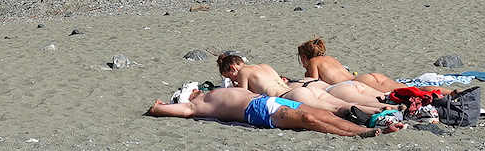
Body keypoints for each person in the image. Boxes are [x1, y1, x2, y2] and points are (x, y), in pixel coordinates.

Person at [145, 84, 399, 138]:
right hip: (257, 110)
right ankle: (358, 133)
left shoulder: (211, 93)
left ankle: (366, 128)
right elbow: (187, 110)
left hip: (268, 100)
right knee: (309, 119)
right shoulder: (201, 104)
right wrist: (160, 109)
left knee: (323, 114)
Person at [216, 53, 392, 113]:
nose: (233, 79)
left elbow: (245, 96)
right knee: (344, 103)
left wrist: (233, 88)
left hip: (291, 95)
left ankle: (378, 110)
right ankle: (386, 107)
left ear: (233, 68)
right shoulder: (264, 66)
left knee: (340, 109)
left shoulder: (244, 73)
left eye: (230, 76)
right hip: (305, 89)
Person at [296, 38, 408, 93]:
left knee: (408, 92)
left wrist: (306, 75)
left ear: (304, 57)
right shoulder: (329, 58)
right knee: (411, 90)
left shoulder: (313, 62)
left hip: (358, 83)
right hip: (364, 77)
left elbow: (314, 83)